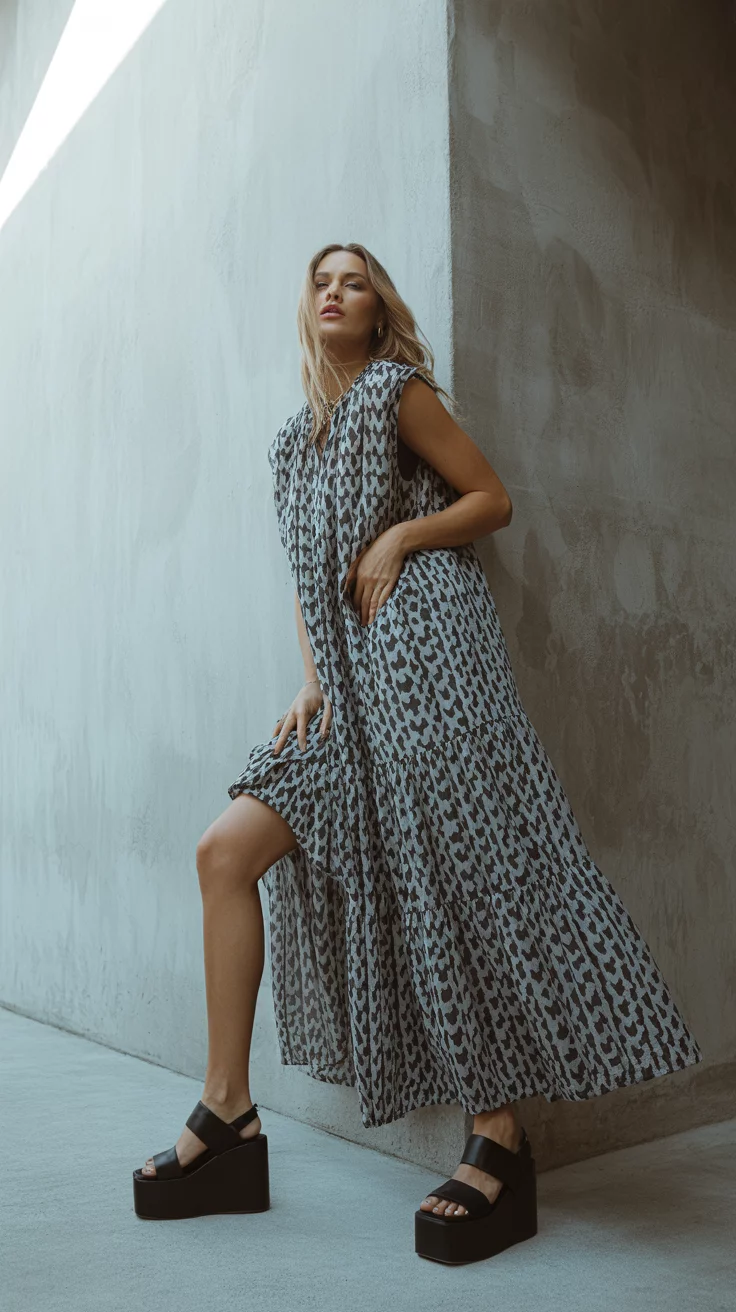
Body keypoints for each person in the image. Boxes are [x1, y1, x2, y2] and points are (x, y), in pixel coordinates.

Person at [132, 242, 703, 1263]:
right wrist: (310, 680)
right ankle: (228, 1115)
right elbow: (309, 586)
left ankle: (498, 1133)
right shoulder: (285, 448)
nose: (334, 289)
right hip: (344, 701)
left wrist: (401, 539)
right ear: (305, 311)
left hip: (430, 668)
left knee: (450, 876)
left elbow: (491, 497)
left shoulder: (397, 393)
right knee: (226, 851)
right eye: (319, 280)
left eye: (353, 278)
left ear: (379, 305)